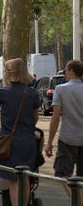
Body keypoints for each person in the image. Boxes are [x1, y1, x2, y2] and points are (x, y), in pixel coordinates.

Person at [0, 57, 40, 206]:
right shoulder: (32, 93)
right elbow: (35, 118)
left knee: (13, 181)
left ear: (8, 73)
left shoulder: (1, 93)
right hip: (28, 141)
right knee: (26, 179)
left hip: (10, 143)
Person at [45, 59, 83, 199]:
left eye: (66, 70)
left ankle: (77, 200)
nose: (64, 73)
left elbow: (56, 118)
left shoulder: (61, 89)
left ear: (72, 71)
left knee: (62, 174)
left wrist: (49, 142)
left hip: (67, 138)